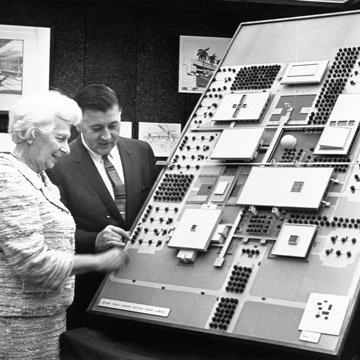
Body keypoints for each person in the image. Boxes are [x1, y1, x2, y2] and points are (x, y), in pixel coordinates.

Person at [0, 90, 129, 359]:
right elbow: (33, 263)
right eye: (60, 138)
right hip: (18, 328)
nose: (67, 148)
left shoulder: (39, 177)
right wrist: (99, 262)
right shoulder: (9, 179)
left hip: (45, 318)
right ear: (32, 134)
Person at [47, 84, 159, 329]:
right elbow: (52, 234)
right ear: (77, 124)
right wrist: (94, 239)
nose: (107, 136)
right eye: (96, 128)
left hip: (143, 284)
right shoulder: (58, 164)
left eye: (113, 126)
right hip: (88, 292)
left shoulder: (141, 151)